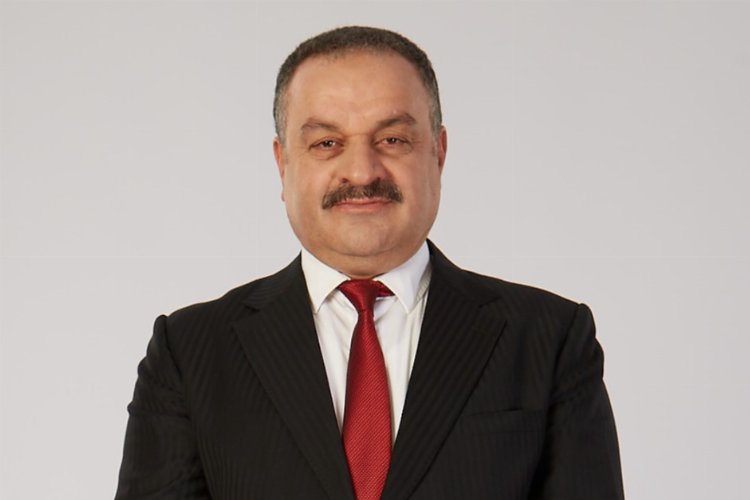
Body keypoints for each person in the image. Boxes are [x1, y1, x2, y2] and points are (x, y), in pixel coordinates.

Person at [116, 26, 624, 500]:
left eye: (393, 139)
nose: (361, 171)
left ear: (439, 153)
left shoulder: (549, 339)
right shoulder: (191, 352)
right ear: (283, 164)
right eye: (327, 143)